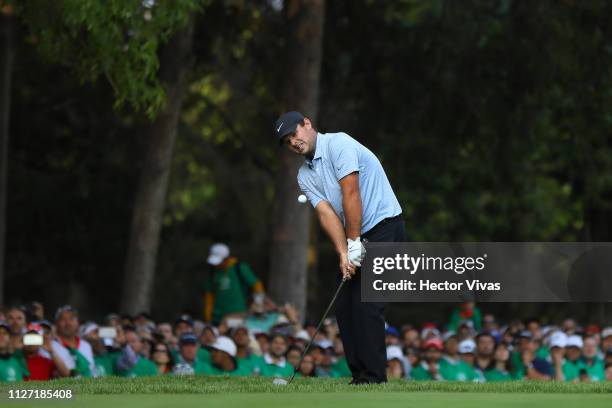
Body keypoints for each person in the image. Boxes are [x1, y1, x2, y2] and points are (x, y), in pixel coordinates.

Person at [275, 111, 404, 384]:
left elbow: (351, 192)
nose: (294, 143)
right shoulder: (304, 175)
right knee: (345, 305)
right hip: (355, 235)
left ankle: (373, 378)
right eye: (288, 142)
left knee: (367, 304)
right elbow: (326, 214)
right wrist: (344, 252)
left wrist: (354, 241)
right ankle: (359, 376)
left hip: (384, 227)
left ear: (307, 124)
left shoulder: (339, 144)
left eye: (294, 134)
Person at [203, 242, 265, 325]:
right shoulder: (213, 273)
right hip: (217, 318)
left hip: (238, 315)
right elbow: (209, 297)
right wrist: (208, 318)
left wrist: (258, 304)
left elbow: (257, 285)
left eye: (220, 261)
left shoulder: (239, 268)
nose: (217, 265)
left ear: (226, 258)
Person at [51, 306, 96, 377]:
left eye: (71, 319)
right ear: (56, 324)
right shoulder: (50, 347)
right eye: (63, 319)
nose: (68, 323)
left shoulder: (86, 346)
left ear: (78, 323)